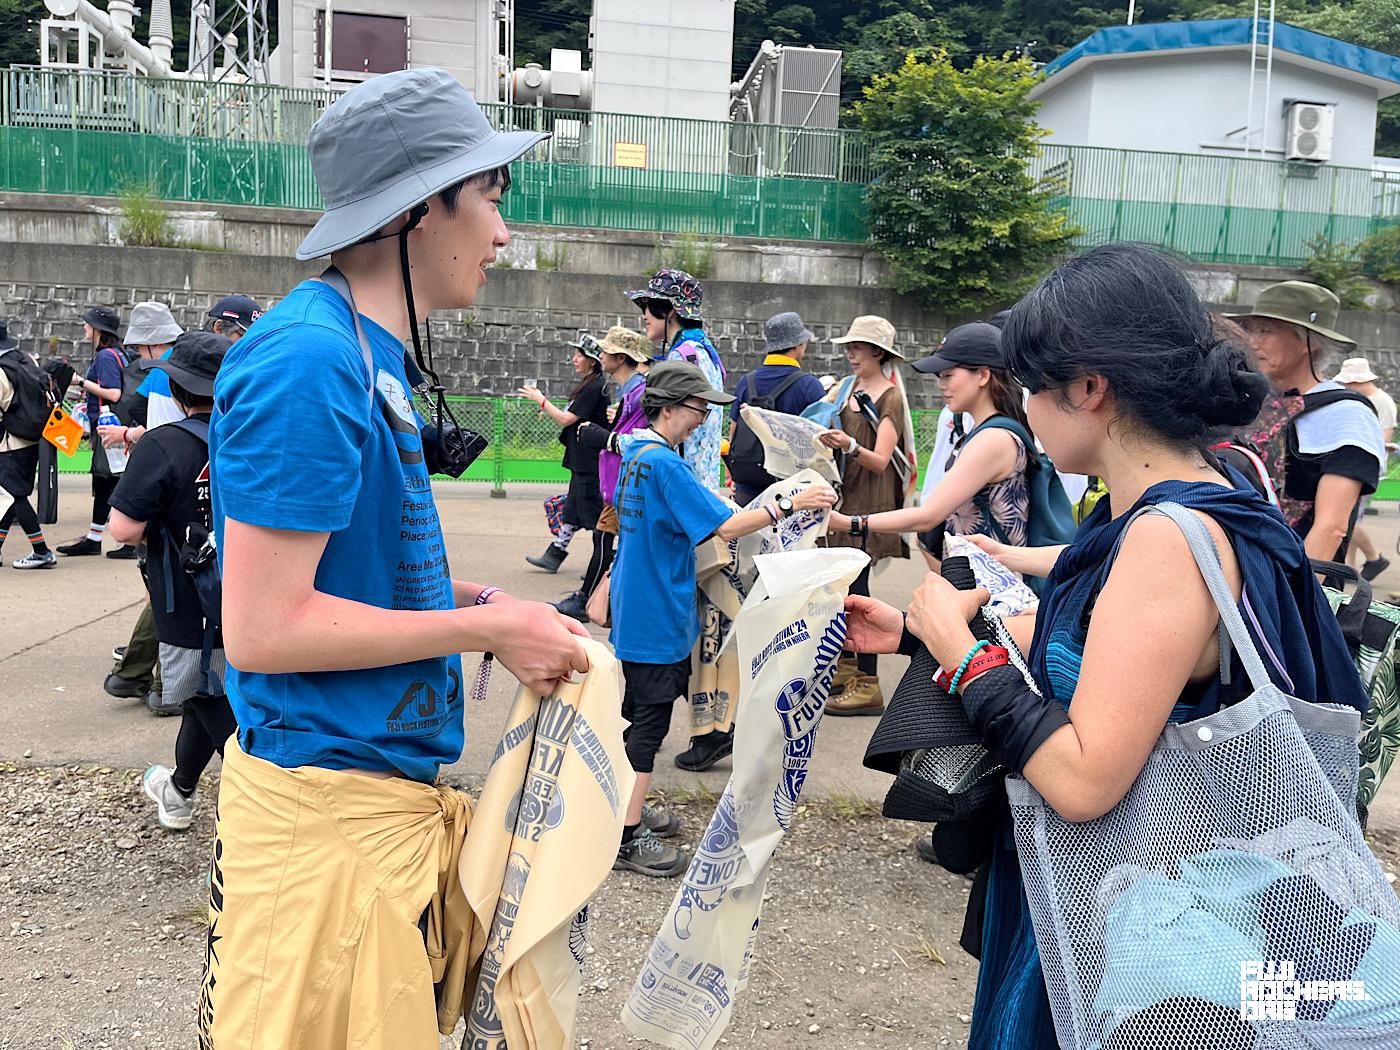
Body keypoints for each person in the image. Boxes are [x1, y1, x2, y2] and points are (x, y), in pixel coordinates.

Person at [842, 243, 1370, 1050]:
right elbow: (1095, 642)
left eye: (1032, 389)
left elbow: (1085, 779)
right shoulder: (1195, 496)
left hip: (1145, 918)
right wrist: (922, 632)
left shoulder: (1165, 537)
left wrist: (962, 653)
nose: (1027, 413)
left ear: (1090, 387)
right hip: (1159, 896)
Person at [205, 68, 589, 1045]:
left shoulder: (362, 354)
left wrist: (472, 599)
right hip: (326, 832)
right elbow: (260, 629)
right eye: (492, 199)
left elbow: (335, 580)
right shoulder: (309, 362)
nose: (503, 234)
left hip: (370, 816)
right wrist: (485, 624)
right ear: (422, 207)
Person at [609, 361, 835, 876]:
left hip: (635, 602)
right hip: (658, 610)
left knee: (633, 710)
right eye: (697, 409)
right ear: (669, 408)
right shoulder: (665, 463)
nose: (703, 419)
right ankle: (625, 834)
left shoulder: (638, 453)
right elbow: (728, 527)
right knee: (648, 723)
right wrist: (790, 502)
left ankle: (623, 806)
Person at [106, 333, 238, 830]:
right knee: (210, 695)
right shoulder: (253, 435)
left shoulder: (165, 443)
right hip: (254, 593)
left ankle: (264, 802)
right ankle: (178, 791)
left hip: (189, 600)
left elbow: (124, 528)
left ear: (177, 390)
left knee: (203, 696)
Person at [831, 321, 1033, 562]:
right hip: (979, 580)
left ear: (982, 375)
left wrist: (846, 522)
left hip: (989, 588)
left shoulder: (992, 440)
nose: (941, 385)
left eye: (948, 375)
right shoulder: (988, 431)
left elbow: (929, 515)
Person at [1225, 281, 1385, 565]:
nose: (1252, 342)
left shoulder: (1346, 414)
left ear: (1307, 341)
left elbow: (1331, 527)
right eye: (1250, 329)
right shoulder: (1249, 401)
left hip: (1288, 582)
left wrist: (1294, 601)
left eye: (1266, 331)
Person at [816, 315, 911, 716]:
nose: (851, 354)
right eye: (848, 347)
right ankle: (847, 667)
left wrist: (850, 444)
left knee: (860, 589)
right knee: (840, 587)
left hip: (870, 503)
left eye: (858, 347)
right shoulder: (848, 387)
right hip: (845, 497)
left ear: (879, 352)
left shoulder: (890, 396)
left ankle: (867, 682)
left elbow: (882, 460)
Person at [99, 302, 187, 712]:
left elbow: (163, 436)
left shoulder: (163, 374)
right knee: (169, 588)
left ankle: (142, 676)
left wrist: (129, 435)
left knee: (165, 588)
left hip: (162, 490)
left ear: (151, 344)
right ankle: (153, 680)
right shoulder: (181, 369)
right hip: (181, 492)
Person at [566, 325, 653, 622]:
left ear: (619, 357)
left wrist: (602, 435)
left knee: (605, 539)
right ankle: (593, 599)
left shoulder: (639, 392)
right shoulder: (631, 390)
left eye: (605, 351)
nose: (600, 355)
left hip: (626, 480)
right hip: (619, 480)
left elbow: (641, 436)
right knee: (608, 539)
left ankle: (588, 600)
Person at [520, 333, 610, 576]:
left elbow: (565, 418)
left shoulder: (594, 387)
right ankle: (555, 554)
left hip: (590, 461)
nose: (574, 359)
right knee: (573, 510)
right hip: (583, 459)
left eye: (578, 355)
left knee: (594, 516)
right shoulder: (590, 385)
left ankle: (603, 564)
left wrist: (541, 400)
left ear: (592, 361)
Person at [627, 269, 726, 487]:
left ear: (670, 311)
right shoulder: (704, 351)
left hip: (681, 482)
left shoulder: (681, 356)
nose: (644, 315)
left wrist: (610, 441)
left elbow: (669, 426)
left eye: (648, 307)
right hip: (703, 482)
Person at [726, 310, 827, 505]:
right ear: (798, 345)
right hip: (794, 492)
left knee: (748, 534)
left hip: (749, 485)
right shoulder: (809, 386)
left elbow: (734, 433)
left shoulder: (747, 382)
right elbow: (821, 443)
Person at [57, 305, 127, 558]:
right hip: (111, 425)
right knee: (107, 481)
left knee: (110, 481)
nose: (85, 328)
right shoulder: (115, 354)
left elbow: (113, 393)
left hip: (109, 428)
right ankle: (96, 536)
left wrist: (81, 382)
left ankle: (112, 538)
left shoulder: (106, 356)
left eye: (88, 324)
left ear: (98, 329)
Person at [1334, 356, 1396, 579]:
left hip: (1369, 465)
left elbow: (1385, 438)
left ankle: (1374, 557)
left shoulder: (1382, 401)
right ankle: (1349, 566)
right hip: (1354, 462)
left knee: (1345, 517)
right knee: (1351, 516)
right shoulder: (1355, 401)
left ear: (1359, 382)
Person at [0, 320, 55, 569]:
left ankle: (41, 550)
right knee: (9, 494)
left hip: (10, 442)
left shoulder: (2, 370)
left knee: (14, 496)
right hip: (31, 435)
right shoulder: (25, 359)